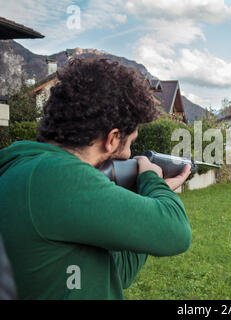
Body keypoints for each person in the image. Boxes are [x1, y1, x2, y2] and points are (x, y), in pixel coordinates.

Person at [0, 57, 192, 299]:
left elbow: (120, 272)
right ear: (111, 139)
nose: (129, 154)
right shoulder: (58, 178)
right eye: (130, 143)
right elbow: (176, 233)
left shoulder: (26, 167)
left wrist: (141, 202)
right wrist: (152, 180)